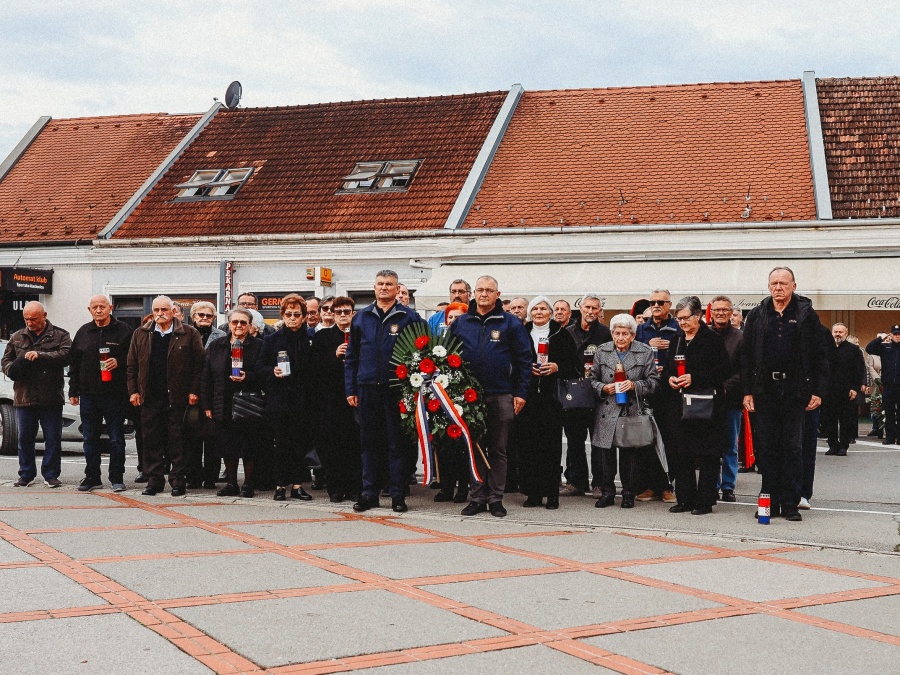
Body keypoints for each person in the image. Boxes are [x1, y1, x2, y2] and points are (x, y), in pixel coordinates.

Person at [741, 267, 827, 522]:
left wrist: (818, 391)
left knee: (792, 447)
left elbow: (821, 356)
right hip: (765, 390)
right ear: (768, 286)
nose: (778, 287)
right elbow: (746, 356)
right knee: (766, 448)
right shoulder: (757, 315)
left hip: (795, 391)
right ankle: (769, 500)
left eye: (783, 283)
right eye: (774, 283)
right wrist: (747, 391)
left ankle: (790, 502)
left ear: (793, 286)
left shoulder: (807, 315)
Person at [449, 275, 532, 517]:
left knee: (498, 449)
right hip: (469, 396)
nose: (484, 294)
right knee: (474, 448)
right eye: (480, 290)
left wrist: (521, 393)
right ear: (473, 293)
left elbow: (524, 360)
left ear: (498, 294)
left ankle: (495, 499)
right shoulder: (461, 323)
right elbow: (447, 357)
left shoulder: (510, 323)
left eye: (489, 290)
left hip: (502, 394)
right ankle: (476, 497)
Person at [345, 270, 424, 513]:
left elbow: (421, 355)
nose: (384, 288)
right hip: (367, 387)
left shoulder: (409, 317)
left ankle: (398, 495)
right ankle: (369, 493)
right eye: (380, 284)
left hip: (397, 389)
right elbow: (352, 356)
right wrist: (351, 388)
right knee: (370, 443)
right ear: (374, 286)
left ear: (397, 288)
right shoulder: (361, 318)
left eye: (389, 284)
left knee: (396, 444)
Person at [127, 295, 205, 496]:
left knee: (177, 441)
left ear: (173, 311)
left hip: (177, 397)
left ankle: (178, 481)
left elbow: (199, 365)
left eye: (164, 310)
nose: (160, 314)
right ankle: (154, 481)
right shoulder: (141, 333)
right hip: (150, 396)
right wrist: (133, 391)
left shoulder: (189, 333)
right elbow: (132, 365)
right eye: (156, 310)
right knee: (151, 440)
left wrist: (194, 390)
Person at [664, 297, 730, 515]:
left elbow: (723, 371)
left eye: (685, 318)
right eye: (678, 318)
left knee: (707, 454)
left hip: (706, 405)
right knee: (681, 453)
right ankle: (685, 498)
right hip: (680, 404)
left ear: (698, 315)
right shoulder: (677, 339)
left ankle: (705, 500)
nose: (682, 322)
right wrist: (671, 378)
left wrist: (695, 377)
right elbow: (668, 368)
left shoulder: (712, 339)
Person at [588, 313, 659, 508]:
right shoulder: (602, 351)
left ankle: (629, 493)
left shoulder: (644, 352)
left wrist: (634, 385)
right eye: (617, 333)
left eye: (625, 333)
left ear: (633, 335)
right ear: (611, 333)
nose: (620, 337)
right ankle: (607, 492)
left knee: (631, 455)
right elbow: (592, 379)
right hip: (606, 408)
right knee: (605, 455)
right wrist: (603, 388)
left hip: (632, 409)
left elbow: (653, 382)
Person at [517, 296, 580, 509]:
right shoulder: (522, 333)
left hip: (552, 397)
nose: (539, 312)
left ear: (550, 312)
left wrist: (556, 367)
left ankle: (552, 493)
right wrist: (527, 369)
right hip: (528, 397)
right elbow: (514, 361)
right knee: (528, 446)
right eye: (535, 309)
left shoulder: (562, 334)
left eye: (543, 308)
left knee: (551, 447)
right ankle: (533, 493)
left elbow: (575, 365)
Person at [2, 301, 71, 488]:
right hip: (24, 396)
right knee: (24, 438)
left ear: (44, 315)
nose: (30, 322)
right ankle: (26, 474)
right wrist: (12, 368)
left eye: (33, 319)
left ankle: (51, 474)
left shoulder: (60, 334)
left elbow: (66, 355)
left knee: (53, 438)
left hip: (51, 397)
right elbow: (5, 360)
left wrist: (40, 355)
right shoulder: (17, 336)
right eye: (26, 319)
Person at [68, 294, 133, 492]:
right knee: (89, 438)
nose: (98, 310)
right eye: (94, 307)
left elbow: (134, 359)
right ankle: (92, 477)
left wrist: (119, 362)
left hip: (115, 394)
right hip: (89, 394)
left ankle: (116, 478)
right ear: (89, 310)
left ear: (110, 308)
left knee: (115, 437)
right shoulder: (83, 332)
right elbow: (74, 363)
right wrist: (73, 390)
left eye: (102, 306)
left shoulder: (123, 331)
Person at [200, 308, 263, 497]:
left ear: (250, 325)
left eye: (243, 322)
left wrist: (248, 377)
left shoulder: (258, 345)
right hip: (223, 400)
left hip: (248, 401)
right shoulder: (217, 345)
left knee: (249, 445)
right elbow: (206, 377)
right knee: (227, 445)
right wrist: (207, 405)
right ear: (229, 324)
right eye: (235, 322)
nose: (238, 326)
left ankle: (248, 484)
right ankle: (231, 483)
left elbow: (264, 373)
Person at [257, 294, 314, 501]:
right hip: (279, 400)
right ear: (282, 315)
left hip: (304, 400)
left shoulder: (310, 338)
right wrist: (272, 371)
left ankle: (298, 485)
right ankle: (280, 485)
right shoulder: (272, 339)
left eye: (296, 314)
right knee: (281, 444)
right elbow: (260, 366)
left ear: (304, 316)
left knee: (300, 444)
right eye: (288, 314)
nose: (292, 318)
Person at [309, 296, 362, 503]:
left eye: (345, 312)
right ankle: (335, 488)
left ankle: (355, 488)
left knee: (354, 445)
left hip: (354, 399)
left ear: (352, 313)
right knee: (331, 446)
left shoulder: (359, 334)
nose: (341, 316)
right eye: (336, 311)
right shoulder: (323, 337)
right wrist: (333, 355)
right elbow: (313, 368)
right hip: (330, 401)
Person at [562, 294, 612, 497]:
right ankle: (576, 481)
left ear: (600, 311)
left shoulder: (605, 333)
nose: (591, 311)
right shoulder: (567, 333)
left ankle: (599, 483)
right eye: (587, 307)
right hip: (574, 393)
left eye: (595, 308)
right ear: (580, 308)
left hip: (598, 393)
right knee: (574, 439)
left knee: (599, 441)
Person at [635, 289, 681, 504]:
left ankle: (667, 485)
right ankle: (649, 485)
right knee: (645, 439)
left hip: (670, 391)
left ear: (669, 304)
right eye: (652, 302)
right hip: (646, 391)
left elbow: (686, 354)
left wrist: (669, 353)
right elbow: (633, 352)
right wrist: (647, 347)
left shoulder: (678, 327)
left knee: (670, 439)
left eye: (661, 302)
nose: (656, 305)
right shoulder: (641, 329)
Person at [433, 302, 472, 503]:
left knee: (462, 446)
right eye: (450, 317)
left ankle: (463, 488)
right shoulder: (438, 342)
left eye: (458, 318)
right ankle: (446, 487)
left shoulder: (469, 342)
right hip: (440, 399)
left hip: (463, 399)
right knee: (443, 444)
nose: (453, 321)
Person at [186, 300, 226, 488]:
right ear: (193, 316)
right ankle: (193, 477)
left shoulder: (222, 336)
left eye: (209, 315)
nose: (204, 318)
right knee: (191, 437)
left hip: (213, 392)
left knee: (213, 438)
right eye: (201, 315)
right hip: (190, 393)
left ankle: (210, 477)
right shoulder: (184, 334)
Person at [708, 295, 743, 502]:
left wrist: (725, 387)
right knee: (711, 445)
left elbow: (744, 369)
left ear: (731, 313)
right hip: (708, 400)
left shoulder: (740, 337)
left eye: (725, 310)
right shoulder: (704, 335)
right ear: (711, 313)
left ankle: (728, 487)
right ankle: (711, 485)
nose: (721, 313)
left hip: (731, 399)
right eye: (717, 310)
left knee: (730, 445)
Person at [822, 323, 866, 456]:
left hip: (846, 391)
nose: (838, 334)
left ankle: (843, 446)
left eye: (841, 332)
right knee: (830, 420)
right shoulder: (825, 348)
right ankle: (832, 445)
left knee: (845, 420)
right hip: (829, 390)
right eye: (835, 332)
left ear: (846, 334)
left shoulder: (853, 349)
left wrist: (855, 388)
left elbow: (859, 370)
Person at [866, 325, 900, 445]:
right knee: (889, 413)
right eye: (895, 334)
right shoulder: (885, 347)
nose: (897, 336)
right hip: (888, 385)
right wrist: (881, 338)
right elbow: (869, 349)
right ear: (891, 335)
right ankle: (890, 437)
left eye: (899, 334)